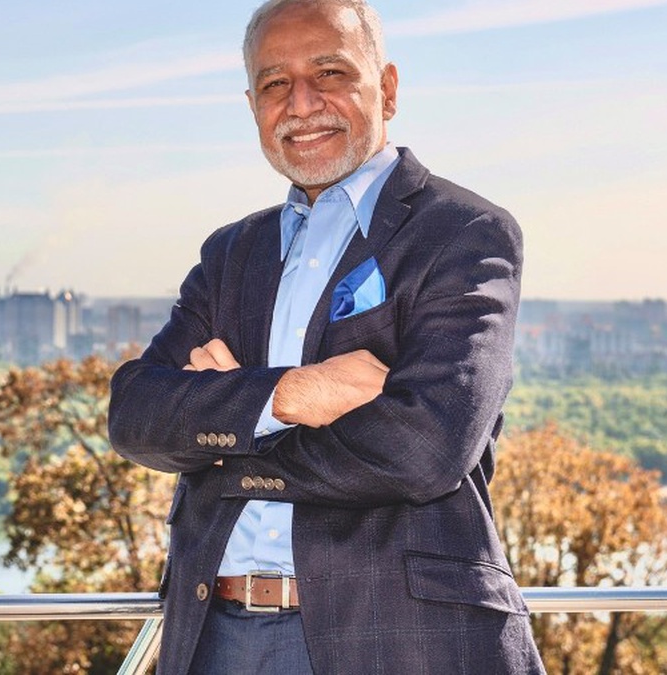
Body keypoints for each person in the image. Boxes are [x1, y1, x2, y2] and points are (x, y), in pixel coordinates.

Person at [108, 0, 545, 673]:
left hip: (393, 638)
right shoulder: (231, 253)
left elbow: (426, 445)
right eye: (275, 83)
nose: (302, 103)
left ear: (387, 88)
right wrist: (287, 396)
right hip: (213, 640)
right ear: (253, 105)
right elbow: (136, 413)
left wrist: (226, 445)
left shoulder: (463, 232)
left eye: (330, 73)